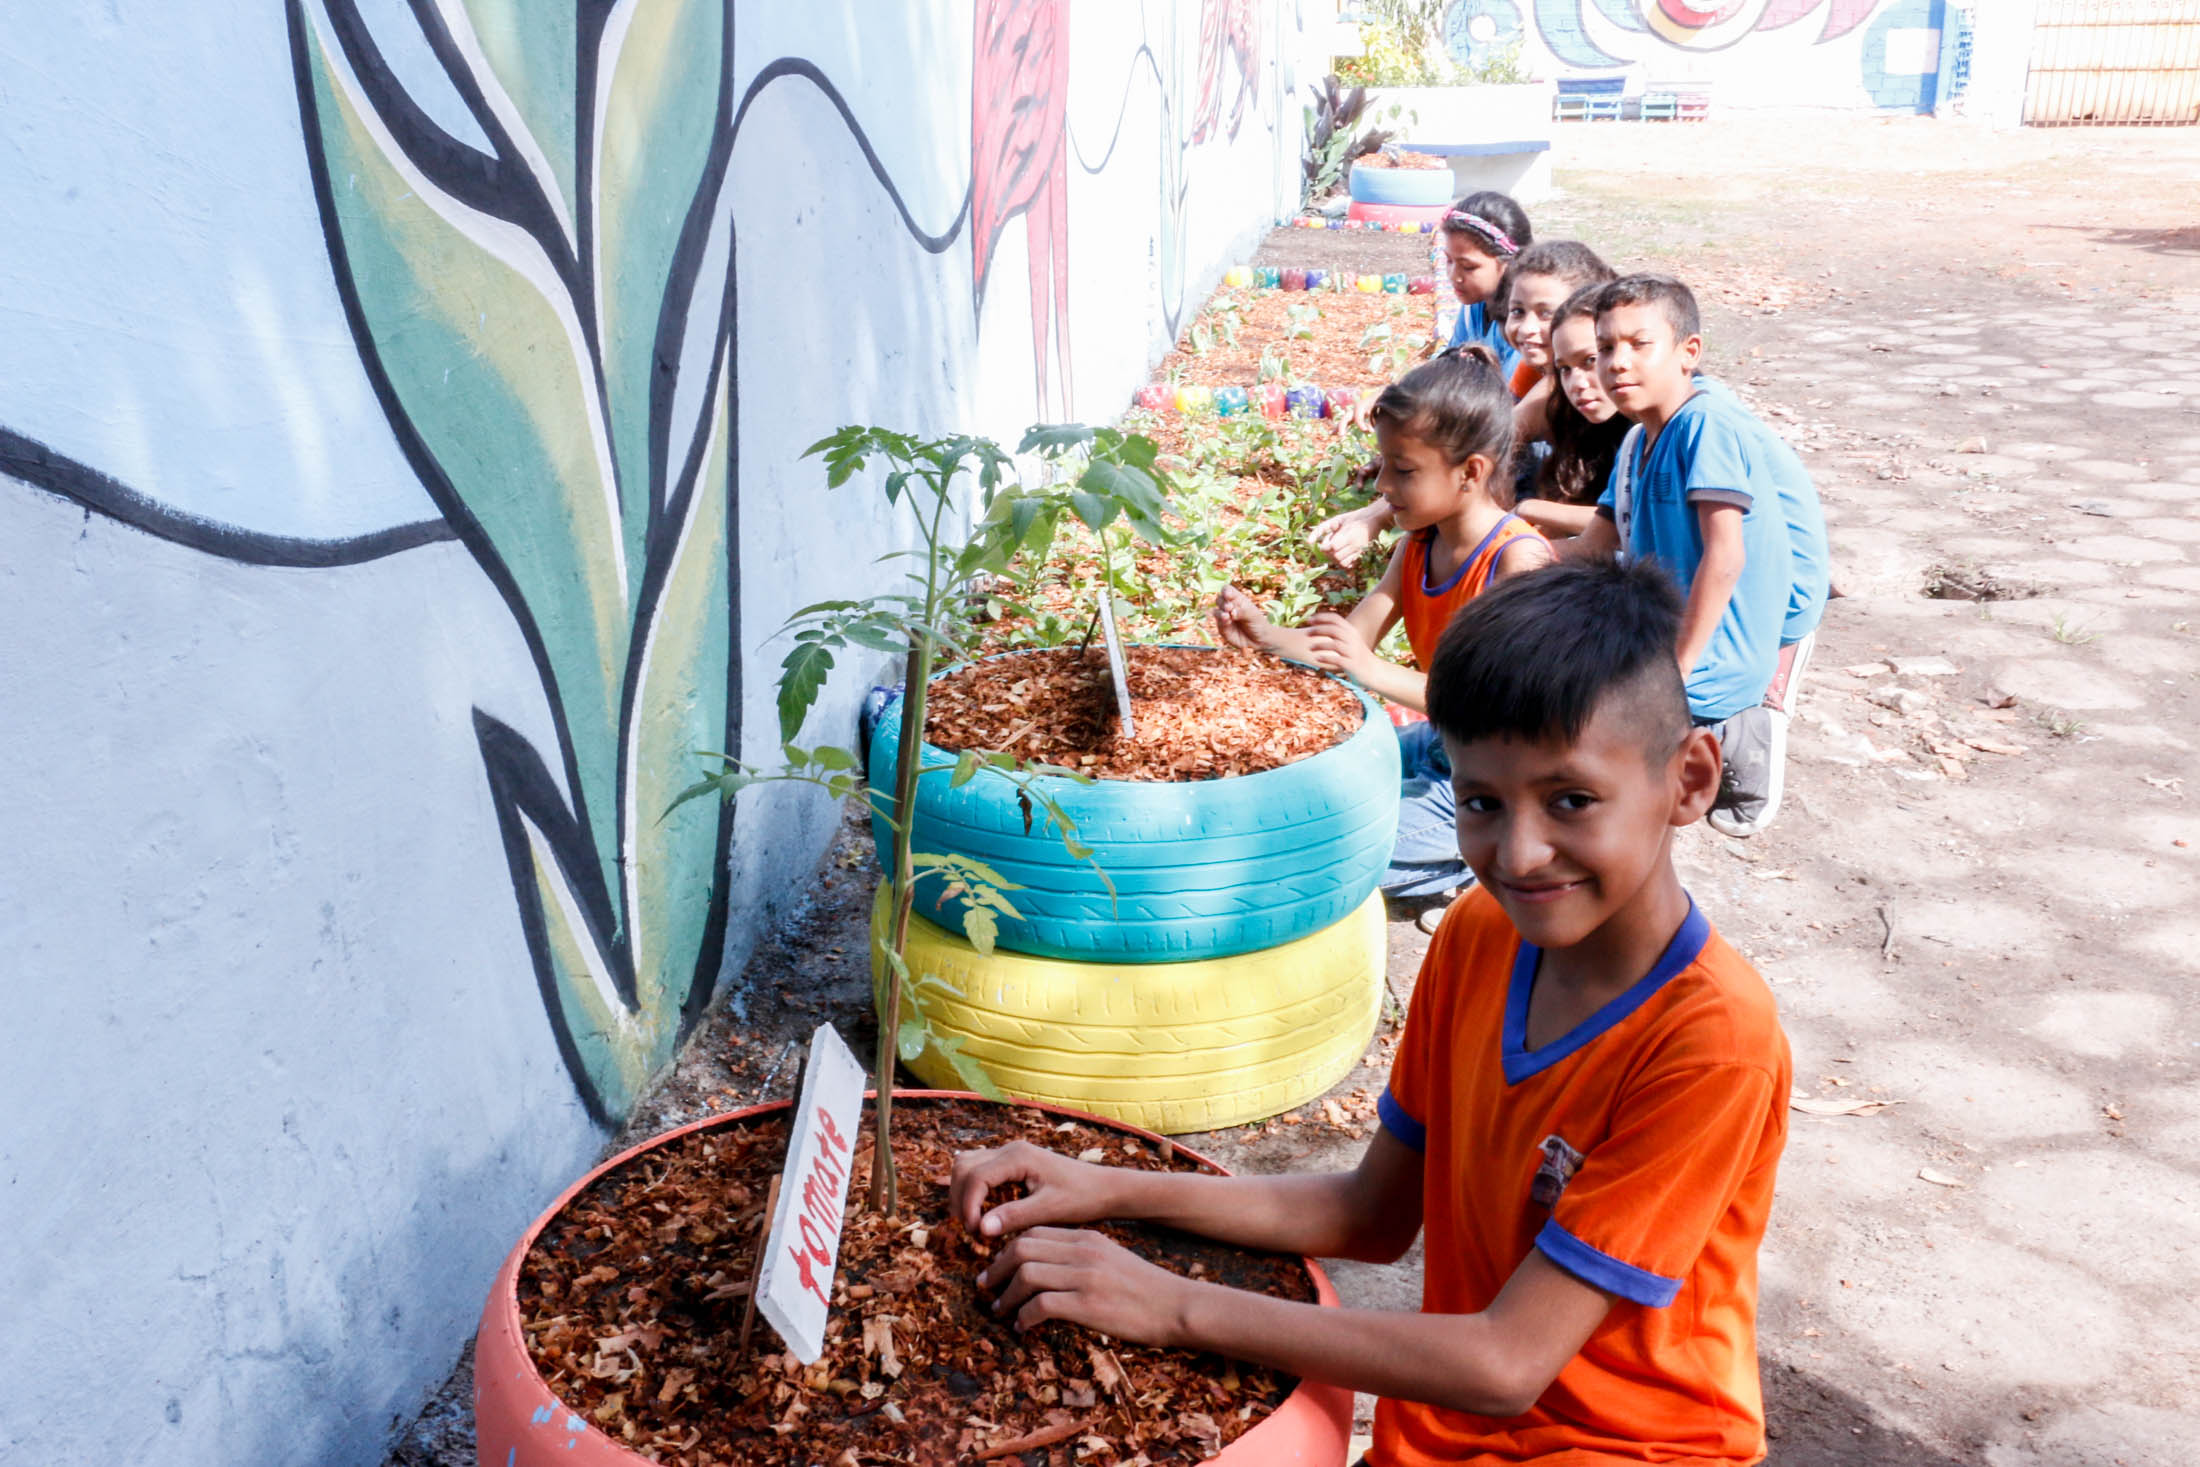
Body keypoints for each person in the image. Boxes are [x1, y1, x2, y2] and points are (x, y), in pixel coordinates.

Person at [953, 559, 1793, 1467]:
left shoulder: (1712, 1042)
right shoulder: (1481, 934)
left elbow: (1508, 1361)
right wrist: (1110, 1185)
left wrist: (1169, 1302)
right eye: (1480, 800)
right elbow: (1371, 1213)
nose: (1519, 851)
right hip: (1447, 1429)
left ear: (1692, 779)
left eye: (1572, 799)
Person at [1212, 348, 1550, 905]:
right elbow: (1347, 644)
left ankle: (1481, 871)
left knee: (1325, 854)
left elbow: (1500, 711)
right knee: (1303, 794)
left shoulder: (1518, 563)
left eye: (1404, 469)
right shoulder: (1419, 544)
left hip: (1508, 785)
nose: (1381, 487)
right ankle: (1463, 858)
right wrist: (1267, 635)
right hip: (1448, 747)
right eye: (1384, 464)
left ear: (1471, 472)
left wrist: (1368, 669)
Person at [1560, 274, 1829, 838]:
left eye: (1638, 344)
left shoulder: (1705, 425)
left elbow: (1725, 556)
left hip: (1714, 660)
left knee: (1604, 753)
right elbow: (1593, 546)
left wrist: (1675, 671)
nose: (1616, 364)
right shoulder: (1636, 443)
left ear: (1689, 353)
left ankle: (1743, 730)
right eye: (1604, 349)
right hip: (1673, 632)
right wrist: (1504, 567)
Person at [1312, 192, 1533, 568]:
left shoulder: (1528, 335)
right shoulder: (1476, 309)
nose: (1453, 276)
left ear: (1509, 265)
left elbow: (1488, 429)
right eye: (1448, 261)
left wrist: (1379, 513)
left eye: (1468, 265)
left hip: (1518, 469)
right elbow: (1447, 372)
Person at [1498, 240, 1618, 502]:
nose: (1526, 328)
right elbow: (1492, 438)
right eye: (1517, 311)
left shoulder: (1630, 391)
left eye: (1546, 313)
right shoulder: (1537, 373)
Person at [1517, 283, 1630, 540]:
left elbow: (1624, 522)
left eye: (1589, 360)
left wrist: (1527, 509)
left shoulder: (1656, 426)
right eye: (1565, 369)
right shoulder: (1583, 423)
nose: (1576, 384)